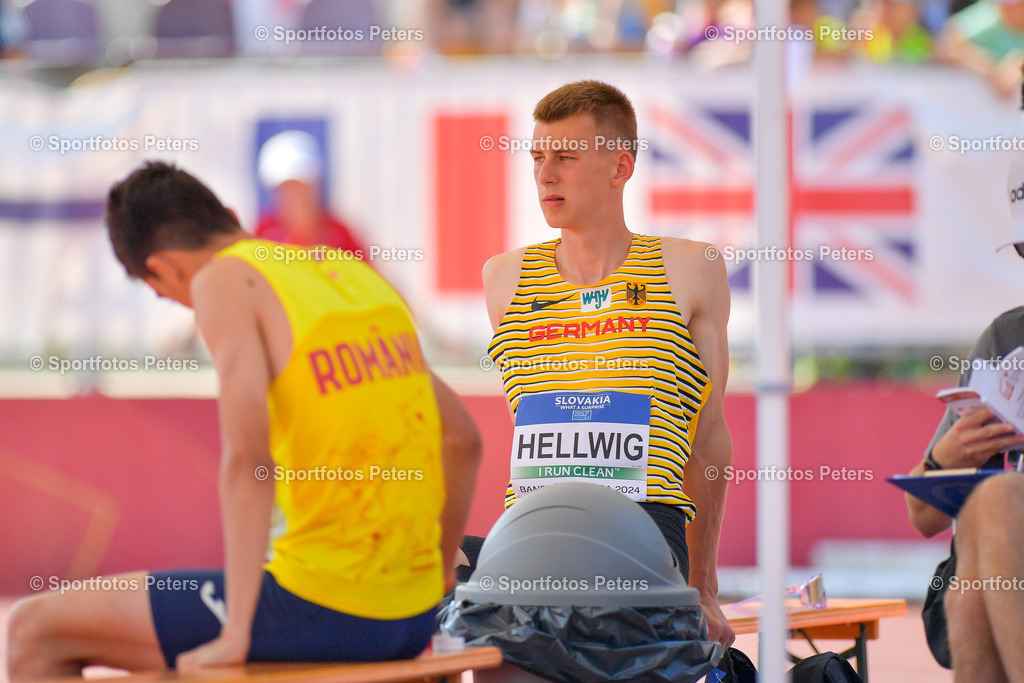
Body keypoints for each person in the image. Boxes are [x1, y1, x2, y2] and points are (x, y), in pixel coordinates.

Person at [6, 162, 482, 678]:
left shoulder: (222, 280)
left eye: (166, 295)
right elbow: (463, 440)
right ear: (231, 217)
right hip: (412, 615)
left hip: (323, 609)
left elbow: (247, 462)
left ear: (163, 269)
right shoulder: (347, 272)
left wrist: (235, 633)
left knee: (33, 627)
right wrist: (433, 584)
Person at [480, 80, 735, 648]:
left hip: (641, 530)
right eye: (538, 158)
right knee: (450, 588)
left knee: (587, 624)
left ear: (621, 167)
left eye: (566, 158)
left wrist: (705, 585)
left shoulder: (689, 269)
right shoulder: (503, 279)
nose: (546, 175)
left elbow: (710, 437)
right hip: (533, 532)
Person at [907, 152, 1024, 680]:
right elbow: (923, 515)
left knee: (992, 502)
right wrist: (941, 460)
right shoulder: (1005, 340)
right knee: (981, 513)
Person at [255, 130, 365, 255]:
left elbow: (364, 271)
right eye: (286, 186)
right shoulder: (262, 232)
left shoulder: (340, 233)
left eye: (301, 185)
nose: (294, 194)